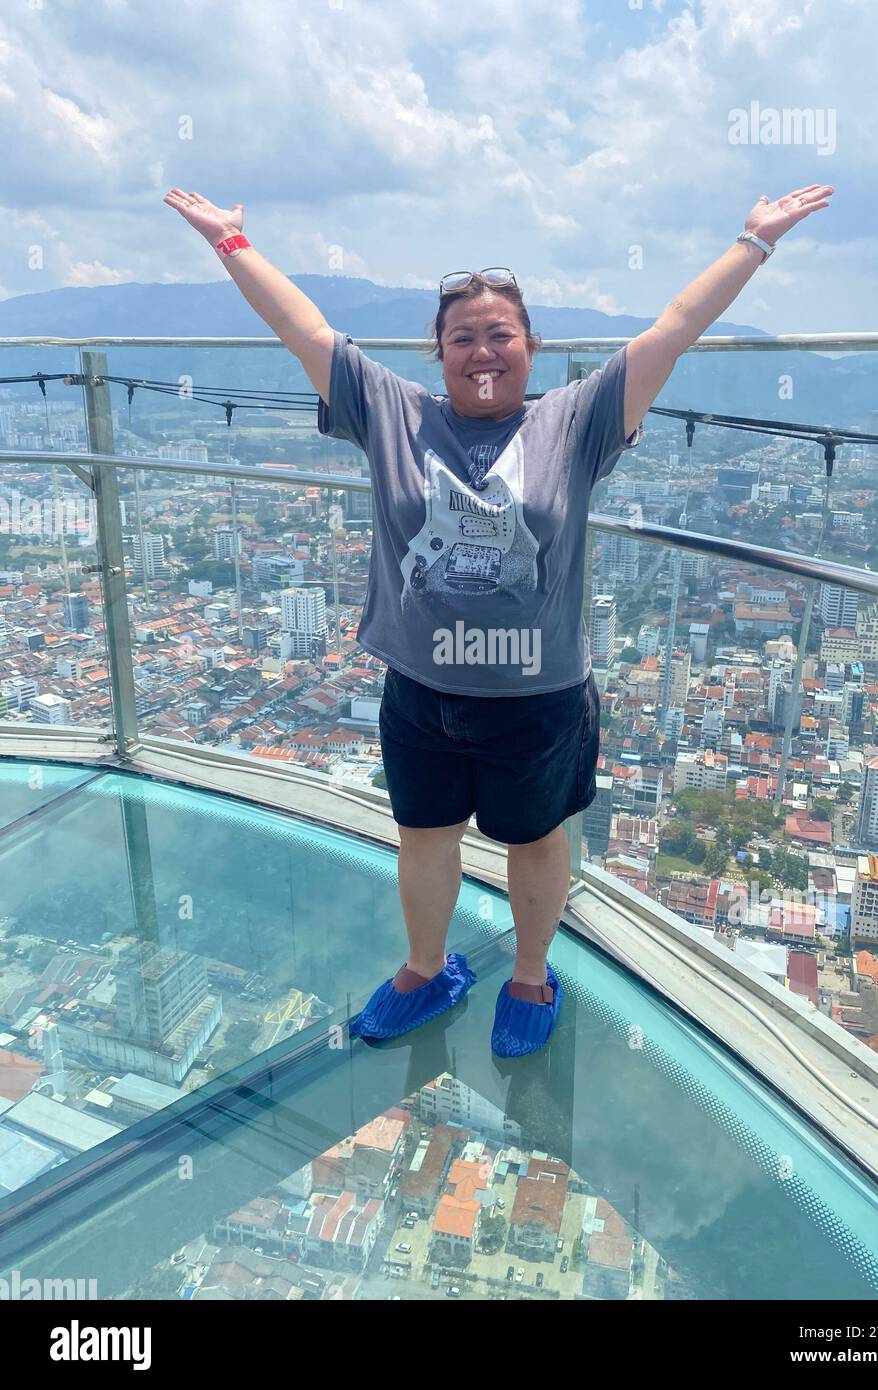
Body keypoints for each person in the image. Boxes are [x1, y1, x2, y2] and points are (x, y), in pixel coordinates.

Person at [164, 183, 833, 1057]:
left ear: (531, 348)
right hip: (418, 690)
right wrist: (231, 244)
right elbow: (306, 332)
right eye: (462, 337)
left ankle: (529, 974)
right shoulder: (393, 413)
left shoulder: (576, 420)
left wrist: (753, 240)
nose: (482, 352)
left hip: (537, 697)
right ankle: (424, 966)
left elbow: (672, 330)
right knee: (423, 840)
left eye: (500, 335)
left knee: (534, 840)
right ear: (436, 352)